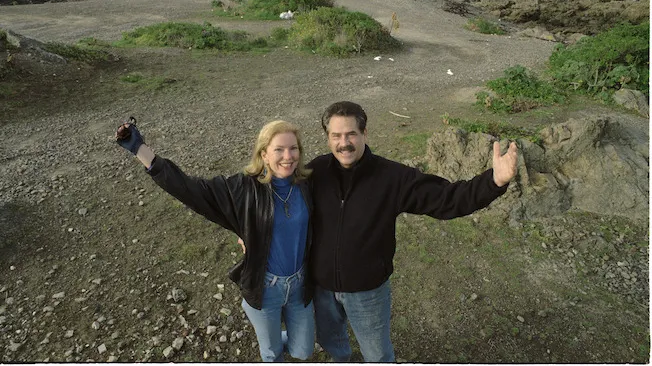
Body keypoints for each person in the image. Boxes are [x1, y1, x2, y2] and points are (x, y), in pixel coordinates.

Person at [305, 101, 518, 362]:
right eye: (336, 136)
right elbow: (280, 207)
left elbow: (447, 199)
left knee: (378, 354)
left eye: (351, 134)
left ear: (365, 134)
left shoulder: (392, 177)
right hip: (321, 288)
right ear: (327, 138)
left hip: (367, 292)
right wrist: (250, 234)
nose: (344, 143)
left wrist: (494, 181)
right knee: (331, 342)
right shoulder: (315, 172)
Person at [115, 119, 316, 362]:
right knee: (272, 353)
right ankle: (270, 338)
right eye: (279, 150)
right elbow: (191, 189)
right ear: (263, 154)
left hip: (300, 285)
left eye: (293, 148)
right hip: (265, 288)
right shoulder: (244, 188)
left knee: (303, 350)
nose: (288, 156)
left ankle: (276, 335)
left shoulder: (307, 184)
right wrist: (140, 149)